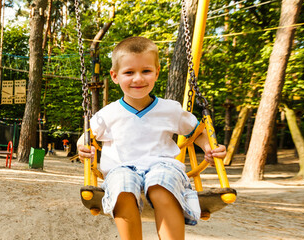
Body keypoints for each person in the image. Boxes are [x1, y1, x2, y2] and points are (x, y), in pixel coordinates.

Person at [77, 36, 227, 240]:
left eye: (146, 71)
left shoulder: (170, 109)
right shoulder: (108, 114)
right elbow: (86, 138)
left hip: (163, 166)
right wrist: (82, 148)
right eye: (129, 72)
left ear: (156, 72)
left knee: (160, 185)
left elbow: (198, 133)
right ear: (114, 76)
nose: (138, 79)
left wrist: (210, 148)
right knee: (122, 186)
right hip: (122, 167)